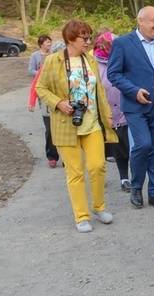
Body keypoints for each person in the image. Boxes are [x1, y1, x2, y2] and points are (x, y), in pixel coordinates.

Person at [35, 20, 118, 233]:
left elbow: (99, 91)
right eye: (85, 38)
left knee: (98, 166)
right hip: (66, 125)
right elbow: (41, 88)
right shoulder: (53, 61)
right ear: (70, 39)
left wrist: (107, 116)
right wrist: (59, 103)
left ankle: (99, 207)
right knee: (75, 172)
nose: (89, 42)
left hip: (91, 124)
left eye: (89, 37)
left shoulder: (89, 60)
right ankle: (81, 216)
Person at [107, 6, 154, 209]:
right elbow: (113, 74)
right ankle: (136, 188)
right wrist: (133, 90)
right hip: (135, 106)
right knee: (143, 145)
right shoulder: (123, 44)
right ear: (140, 21)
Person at [93, 31, 131, 192]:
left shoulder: (123, 58)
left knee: (127, 146)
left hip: (124, 110)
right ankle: (112, 178)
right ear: (101, 45)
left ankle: (129, 178)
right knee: (110, 148)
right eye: (109, 46)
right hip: (104, 113)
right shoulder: (93, 62)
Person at [27, 35, 60, 168]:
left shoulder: (69, 65)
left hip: (63, 102)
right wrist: (31, 101)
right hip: (46, 102)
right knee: (50, 130)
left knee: (64, 129)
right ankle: (52, 156)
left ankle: (66, 157)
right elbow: (36, 83)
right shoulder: (43, 63)